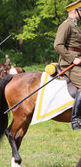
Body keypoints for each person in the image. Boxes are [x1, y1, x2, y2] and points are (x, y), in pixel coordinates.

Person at [54, 0, 81, 130]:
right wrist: (73, 58)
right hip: (68, 63)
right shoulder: (66, 25)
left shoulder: (76, 27)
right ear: (75, 11)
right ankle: (75, 119)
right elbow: (58, 45)